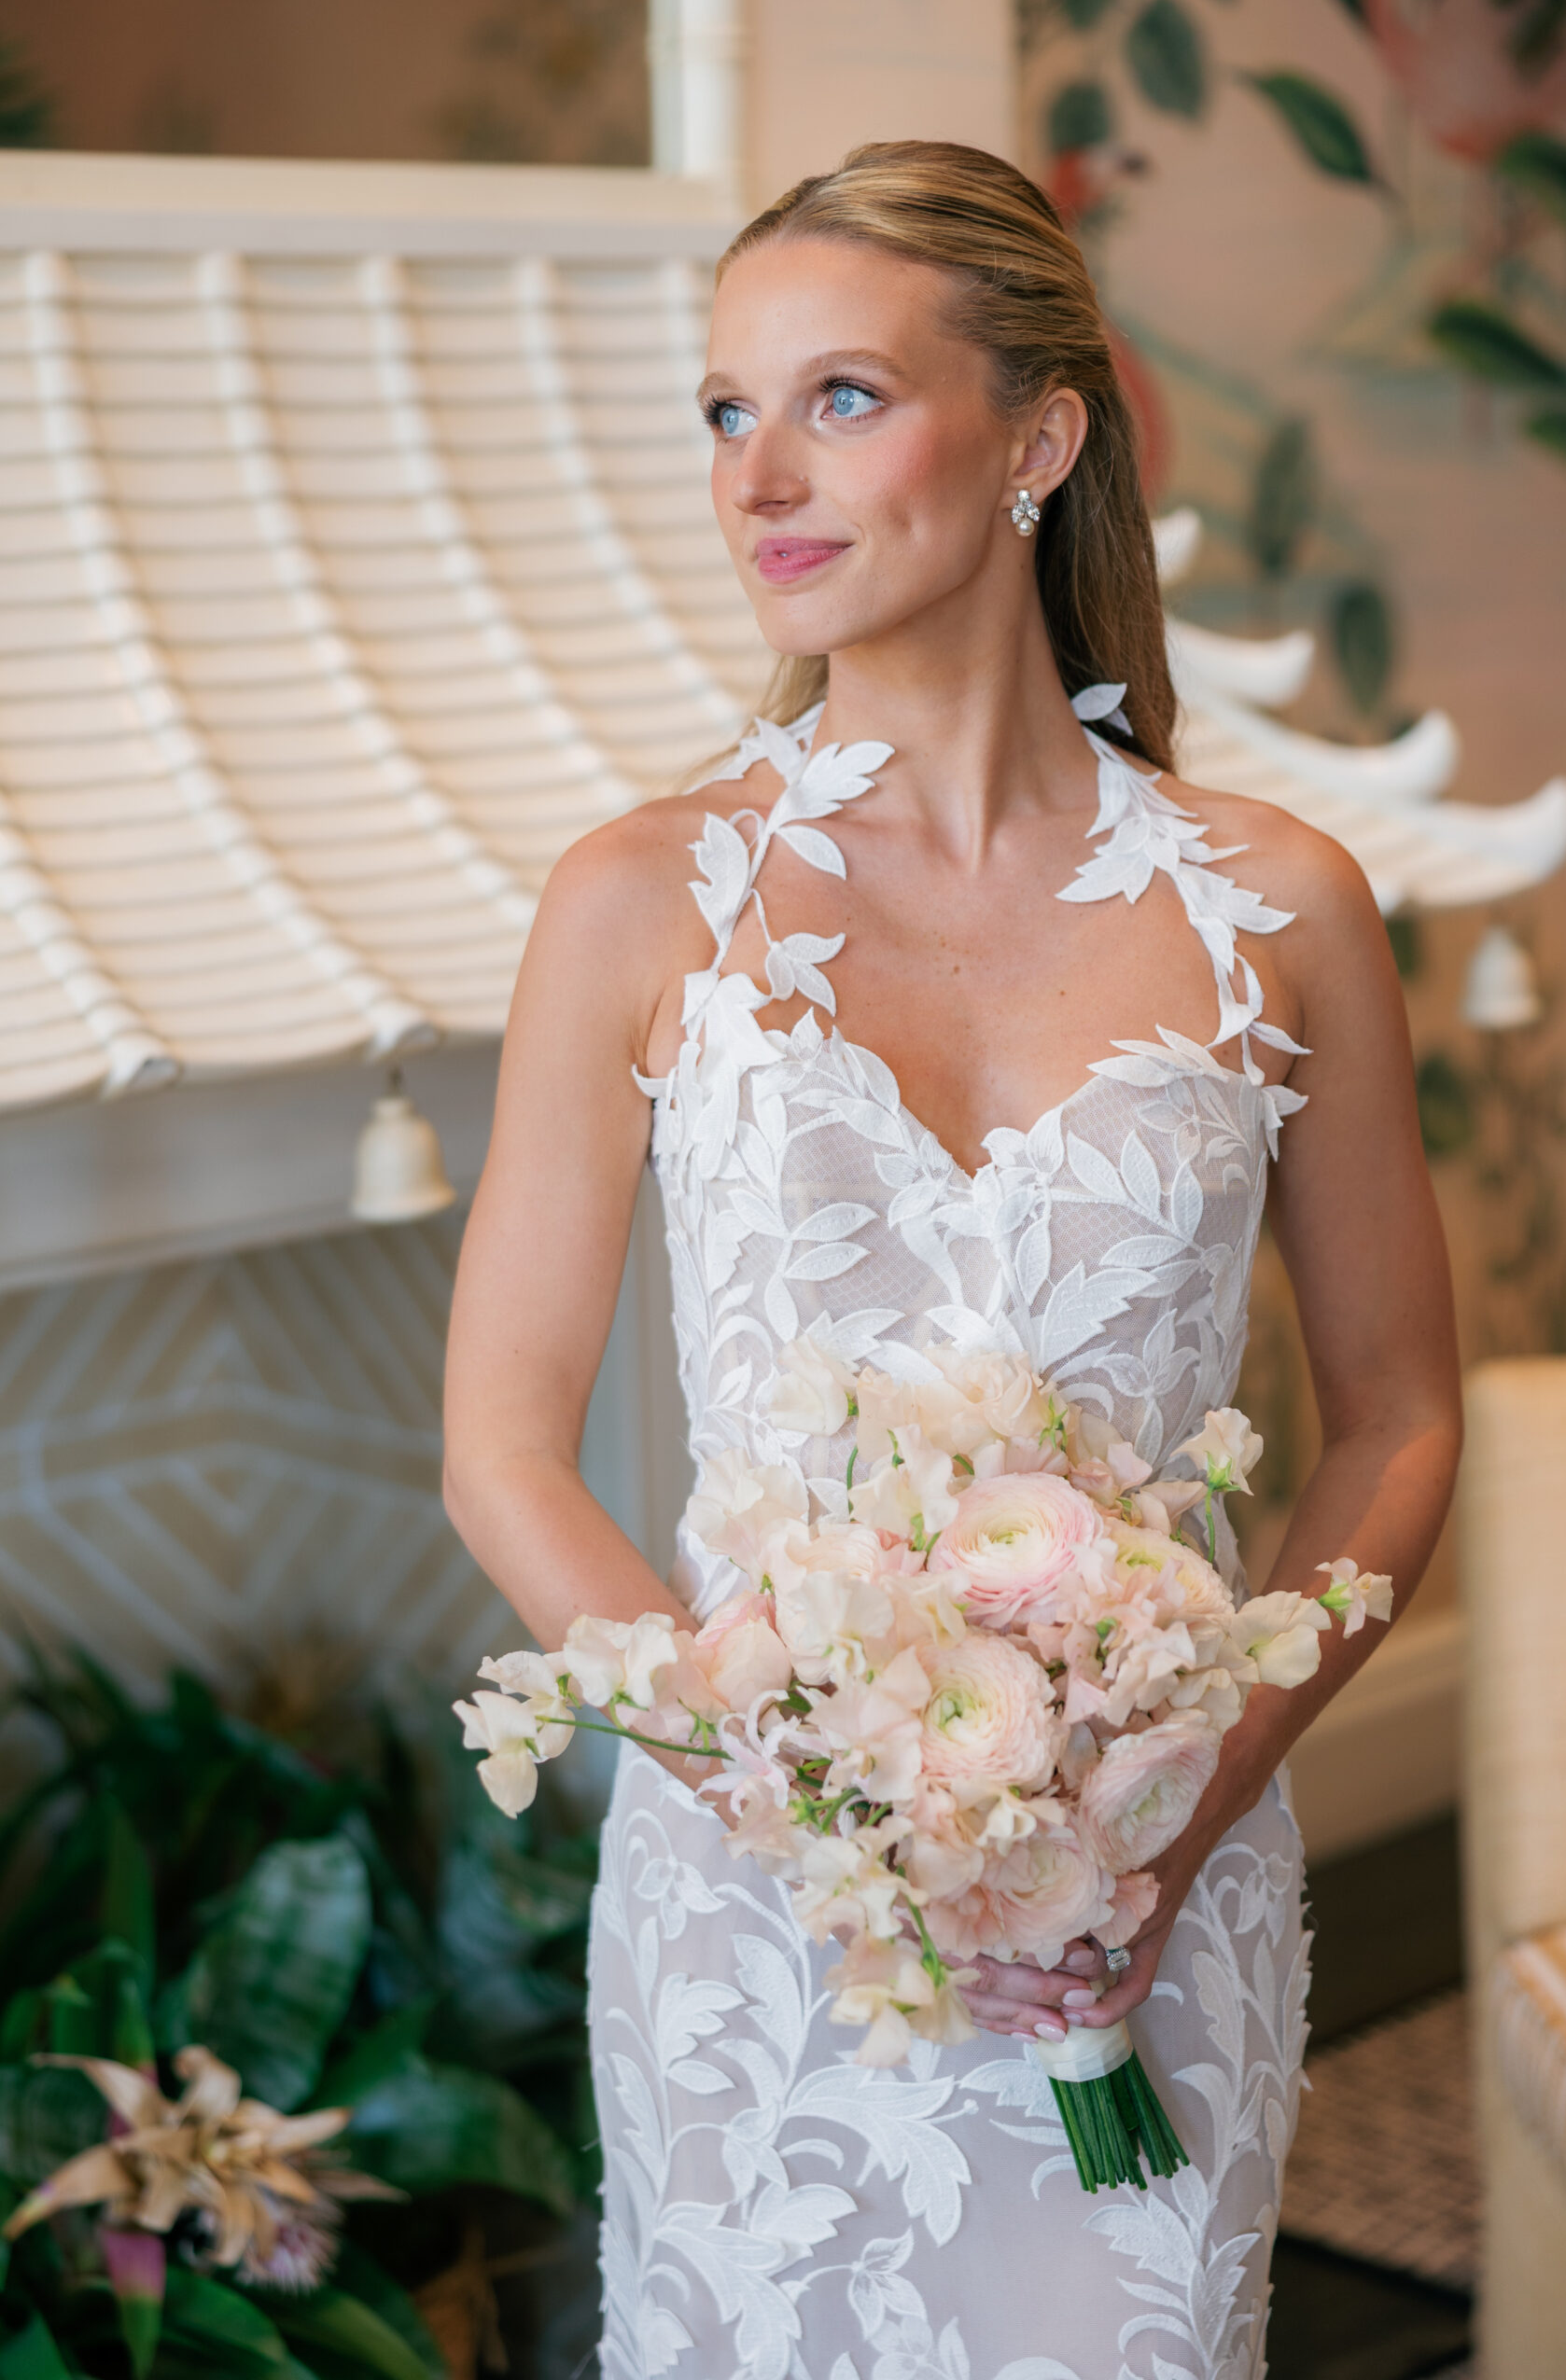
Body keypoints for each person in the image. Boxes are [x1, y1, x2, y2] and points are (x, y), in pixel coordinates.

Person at [443, 141, 1461, 2380]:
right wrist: (811, 1803)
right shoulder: (638, 897)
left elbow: (1395, 1413)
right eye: (724, 411)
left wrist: (1174, 1823)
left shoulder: (1275, 903)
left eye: (835, 399)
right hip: (758, 1915)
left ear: (1035, 434)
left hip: (1148, 1903)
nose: (760, 477)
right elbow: (502, 1453)